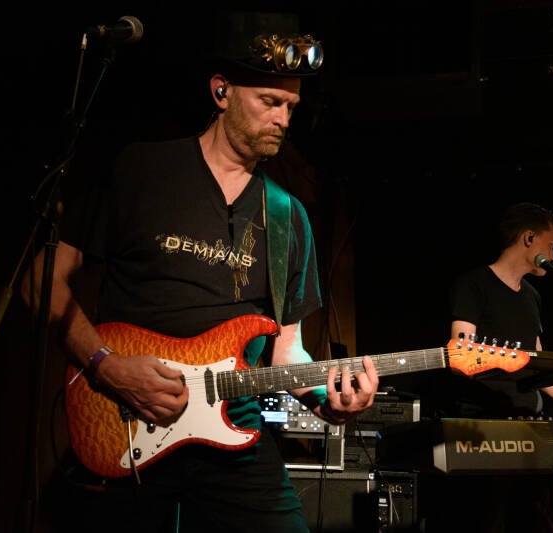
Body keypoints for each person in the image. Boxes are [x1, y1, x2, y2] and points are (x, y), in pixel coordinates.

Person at [20, 11, 378, 533]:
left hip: (235, 436)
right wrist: (106, 366)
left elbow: (287, 351)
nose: (283, 118)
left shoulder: (288, 216)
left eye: (291, 107)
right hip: (125, 419)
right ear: (221, 91)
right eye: (269, 101)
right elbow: (41, 280)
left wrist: (330, 402)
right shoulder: (141, 171)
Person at [424, 202, 553, 533]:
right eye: (550, 245)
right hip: (483, 429)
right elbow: (460, 356)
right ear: (529, 238)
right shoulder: (474, 284)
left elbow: (541, 371)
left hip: (529, 427)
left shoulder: (531, 296)